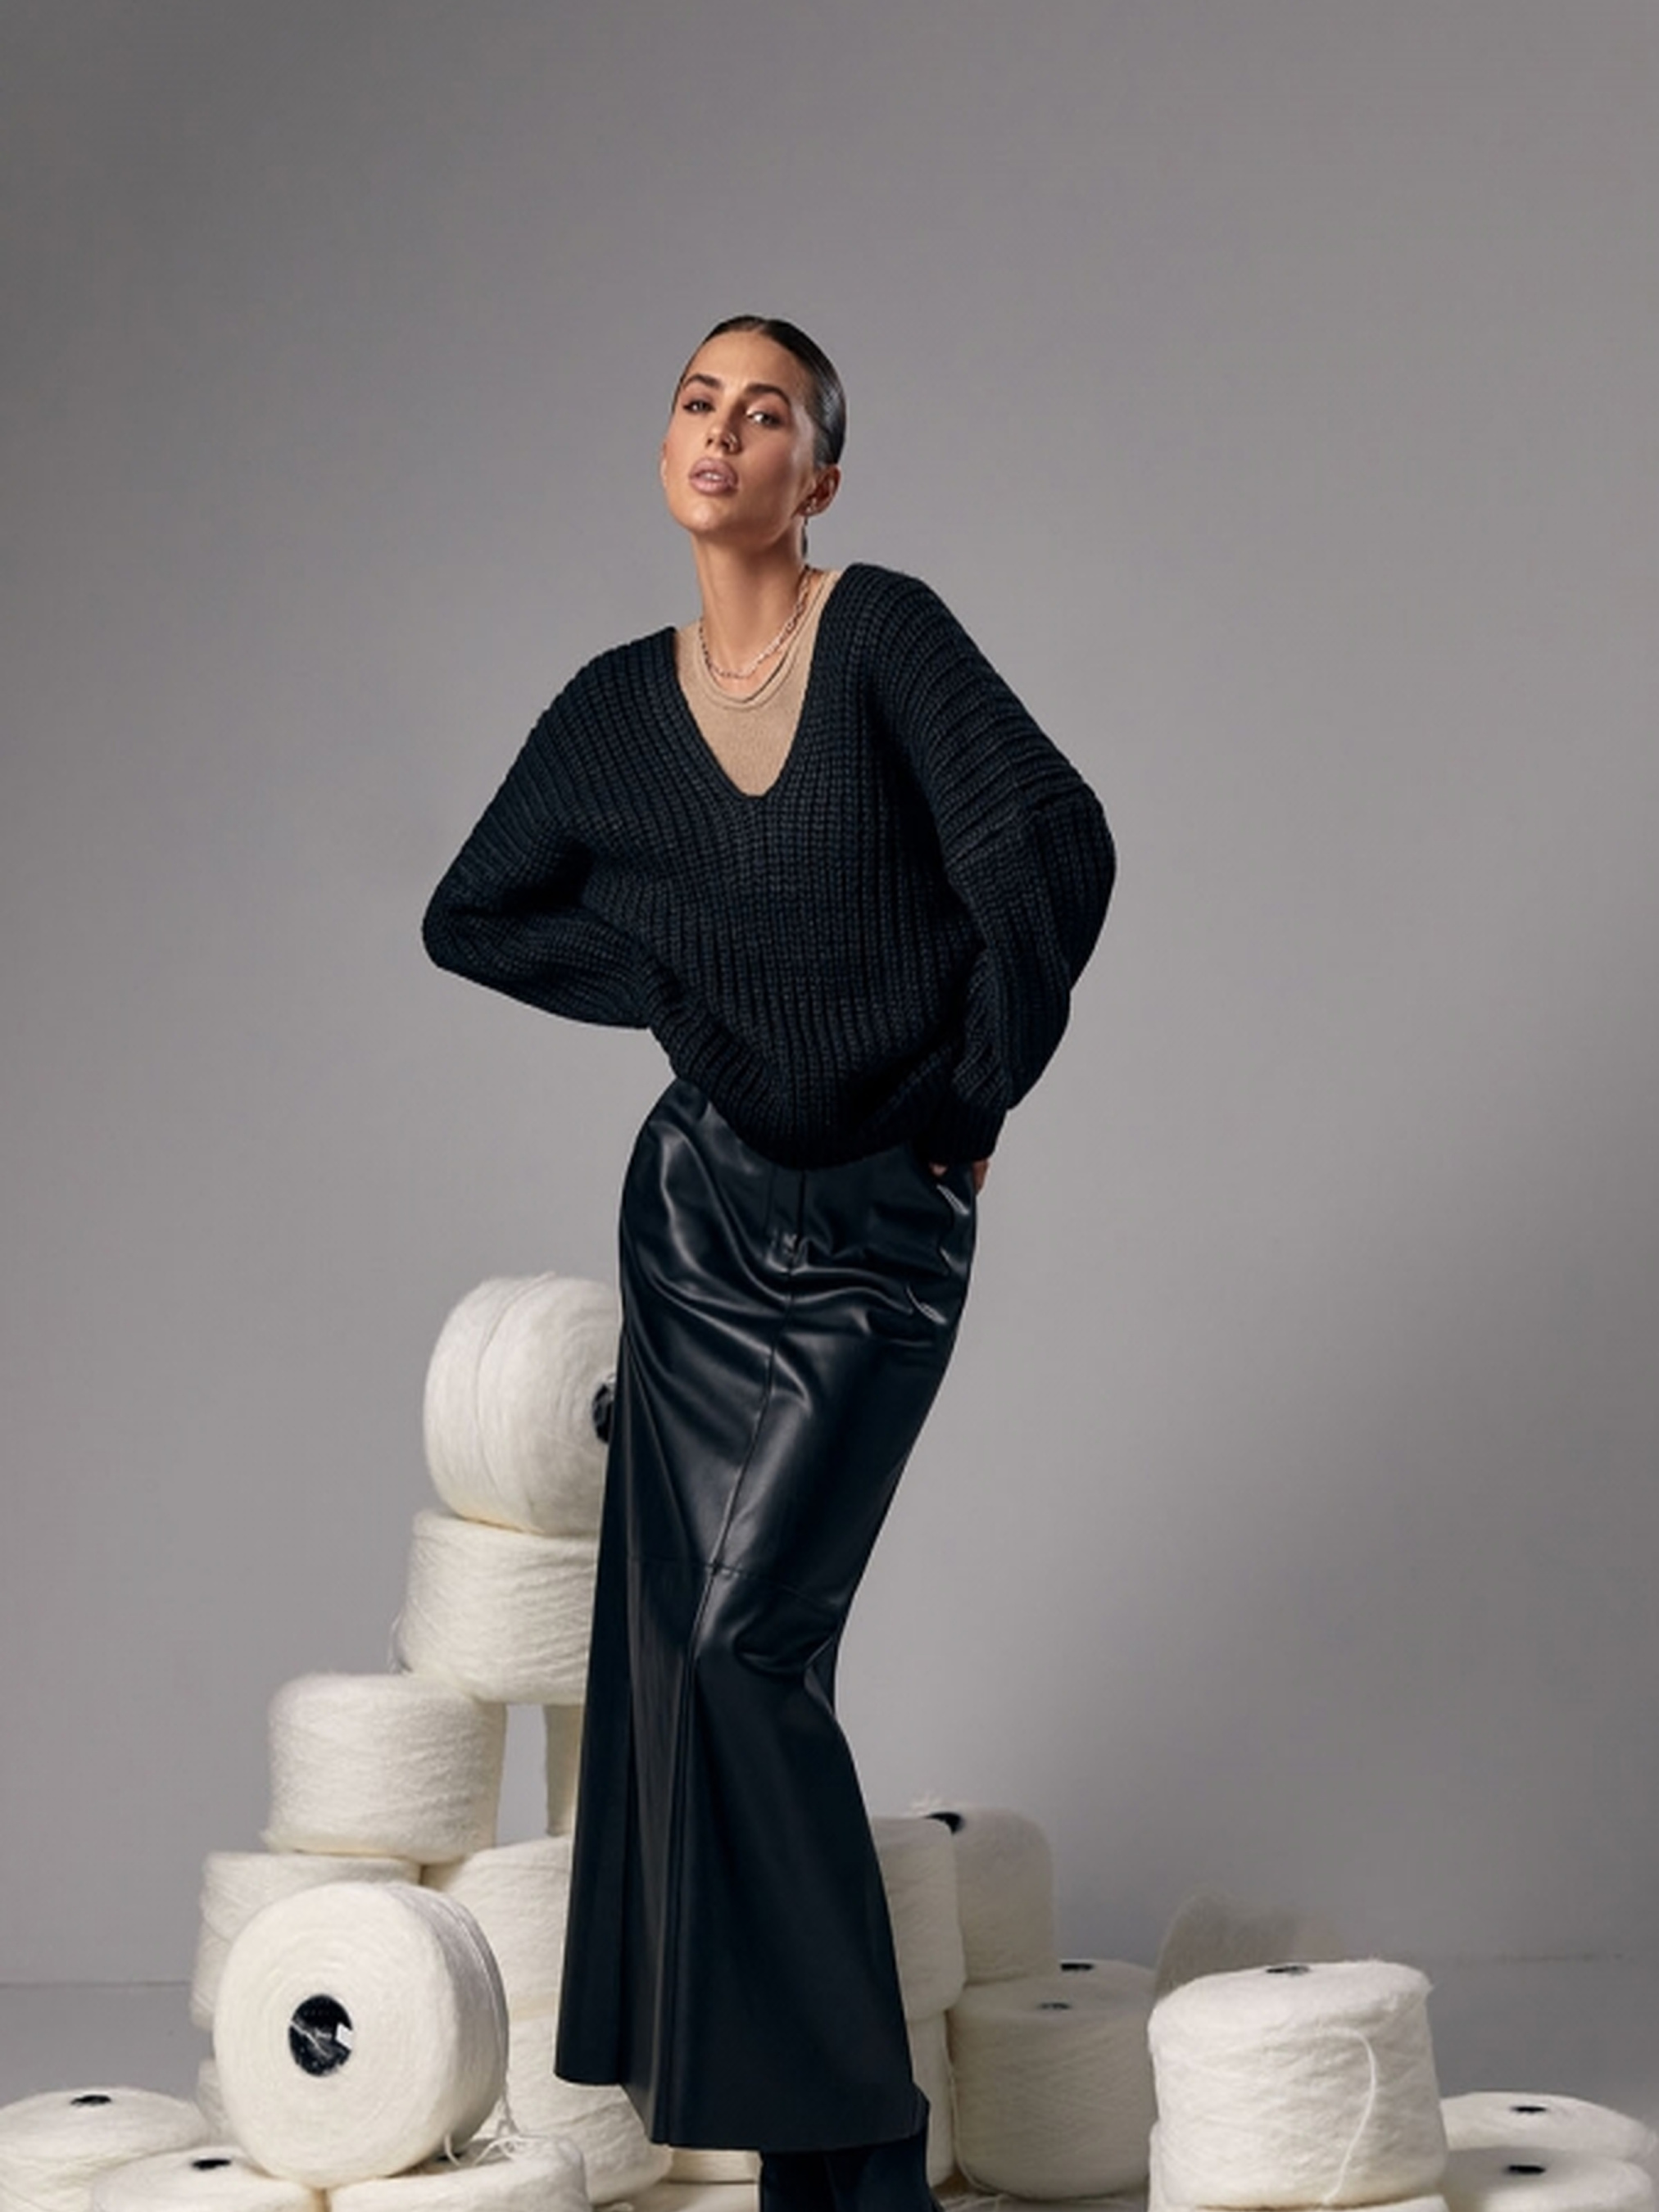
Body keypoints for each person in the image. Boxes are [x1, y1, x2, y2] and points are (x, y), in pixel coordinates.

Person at [422, 315, 1115, 2212]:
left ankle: (859, 2143)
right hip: (698, 1220)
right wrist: (666, 984)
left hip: (878, 1228)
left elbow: (1049, 845)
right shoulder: (611, 708)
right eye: (695, 402)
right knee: (680, 1670)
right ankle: (810, 2149)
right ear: (668, 451)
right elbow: (472, 913)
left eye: (766, 413)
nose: (721, 432)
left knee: (746, 1650)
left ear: (820, 475)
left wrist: (972, 1086)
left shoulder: (880, 632)